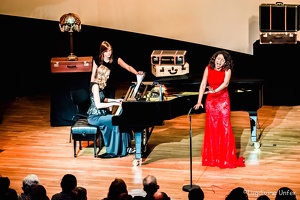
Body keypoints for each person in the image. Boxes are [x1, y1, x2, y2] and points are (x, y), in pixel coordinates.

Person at [193, 50, 245, 169]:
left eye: (222, 60)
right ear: (214, 59)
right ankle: (214, 158)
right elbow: (202, 84)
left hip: (223, 101)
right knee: (212, 128)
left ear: (225, 62)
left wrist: (215, 91)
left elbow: (226, 83)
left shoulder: (227, 70)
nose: (219, 61)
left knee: (224, 128)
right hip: (211, 101)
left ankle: (225, 158)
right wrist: (199, 101)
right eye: (218, 58)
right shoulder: (208, 68)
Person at [87, 64, 132, 158]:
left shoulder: (100, 85)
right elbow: (98, 105)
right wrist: (114, 104)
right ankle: (114, 151)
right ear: (102, 75)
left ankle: (124, 147)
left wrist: (117, 100)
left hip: (101, 115)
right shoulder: (95, 86)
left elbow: (104, 99)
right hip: (94, 117)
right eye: (107, 75)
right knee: (116, 120)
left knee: (119, 119)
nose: (108, 77)